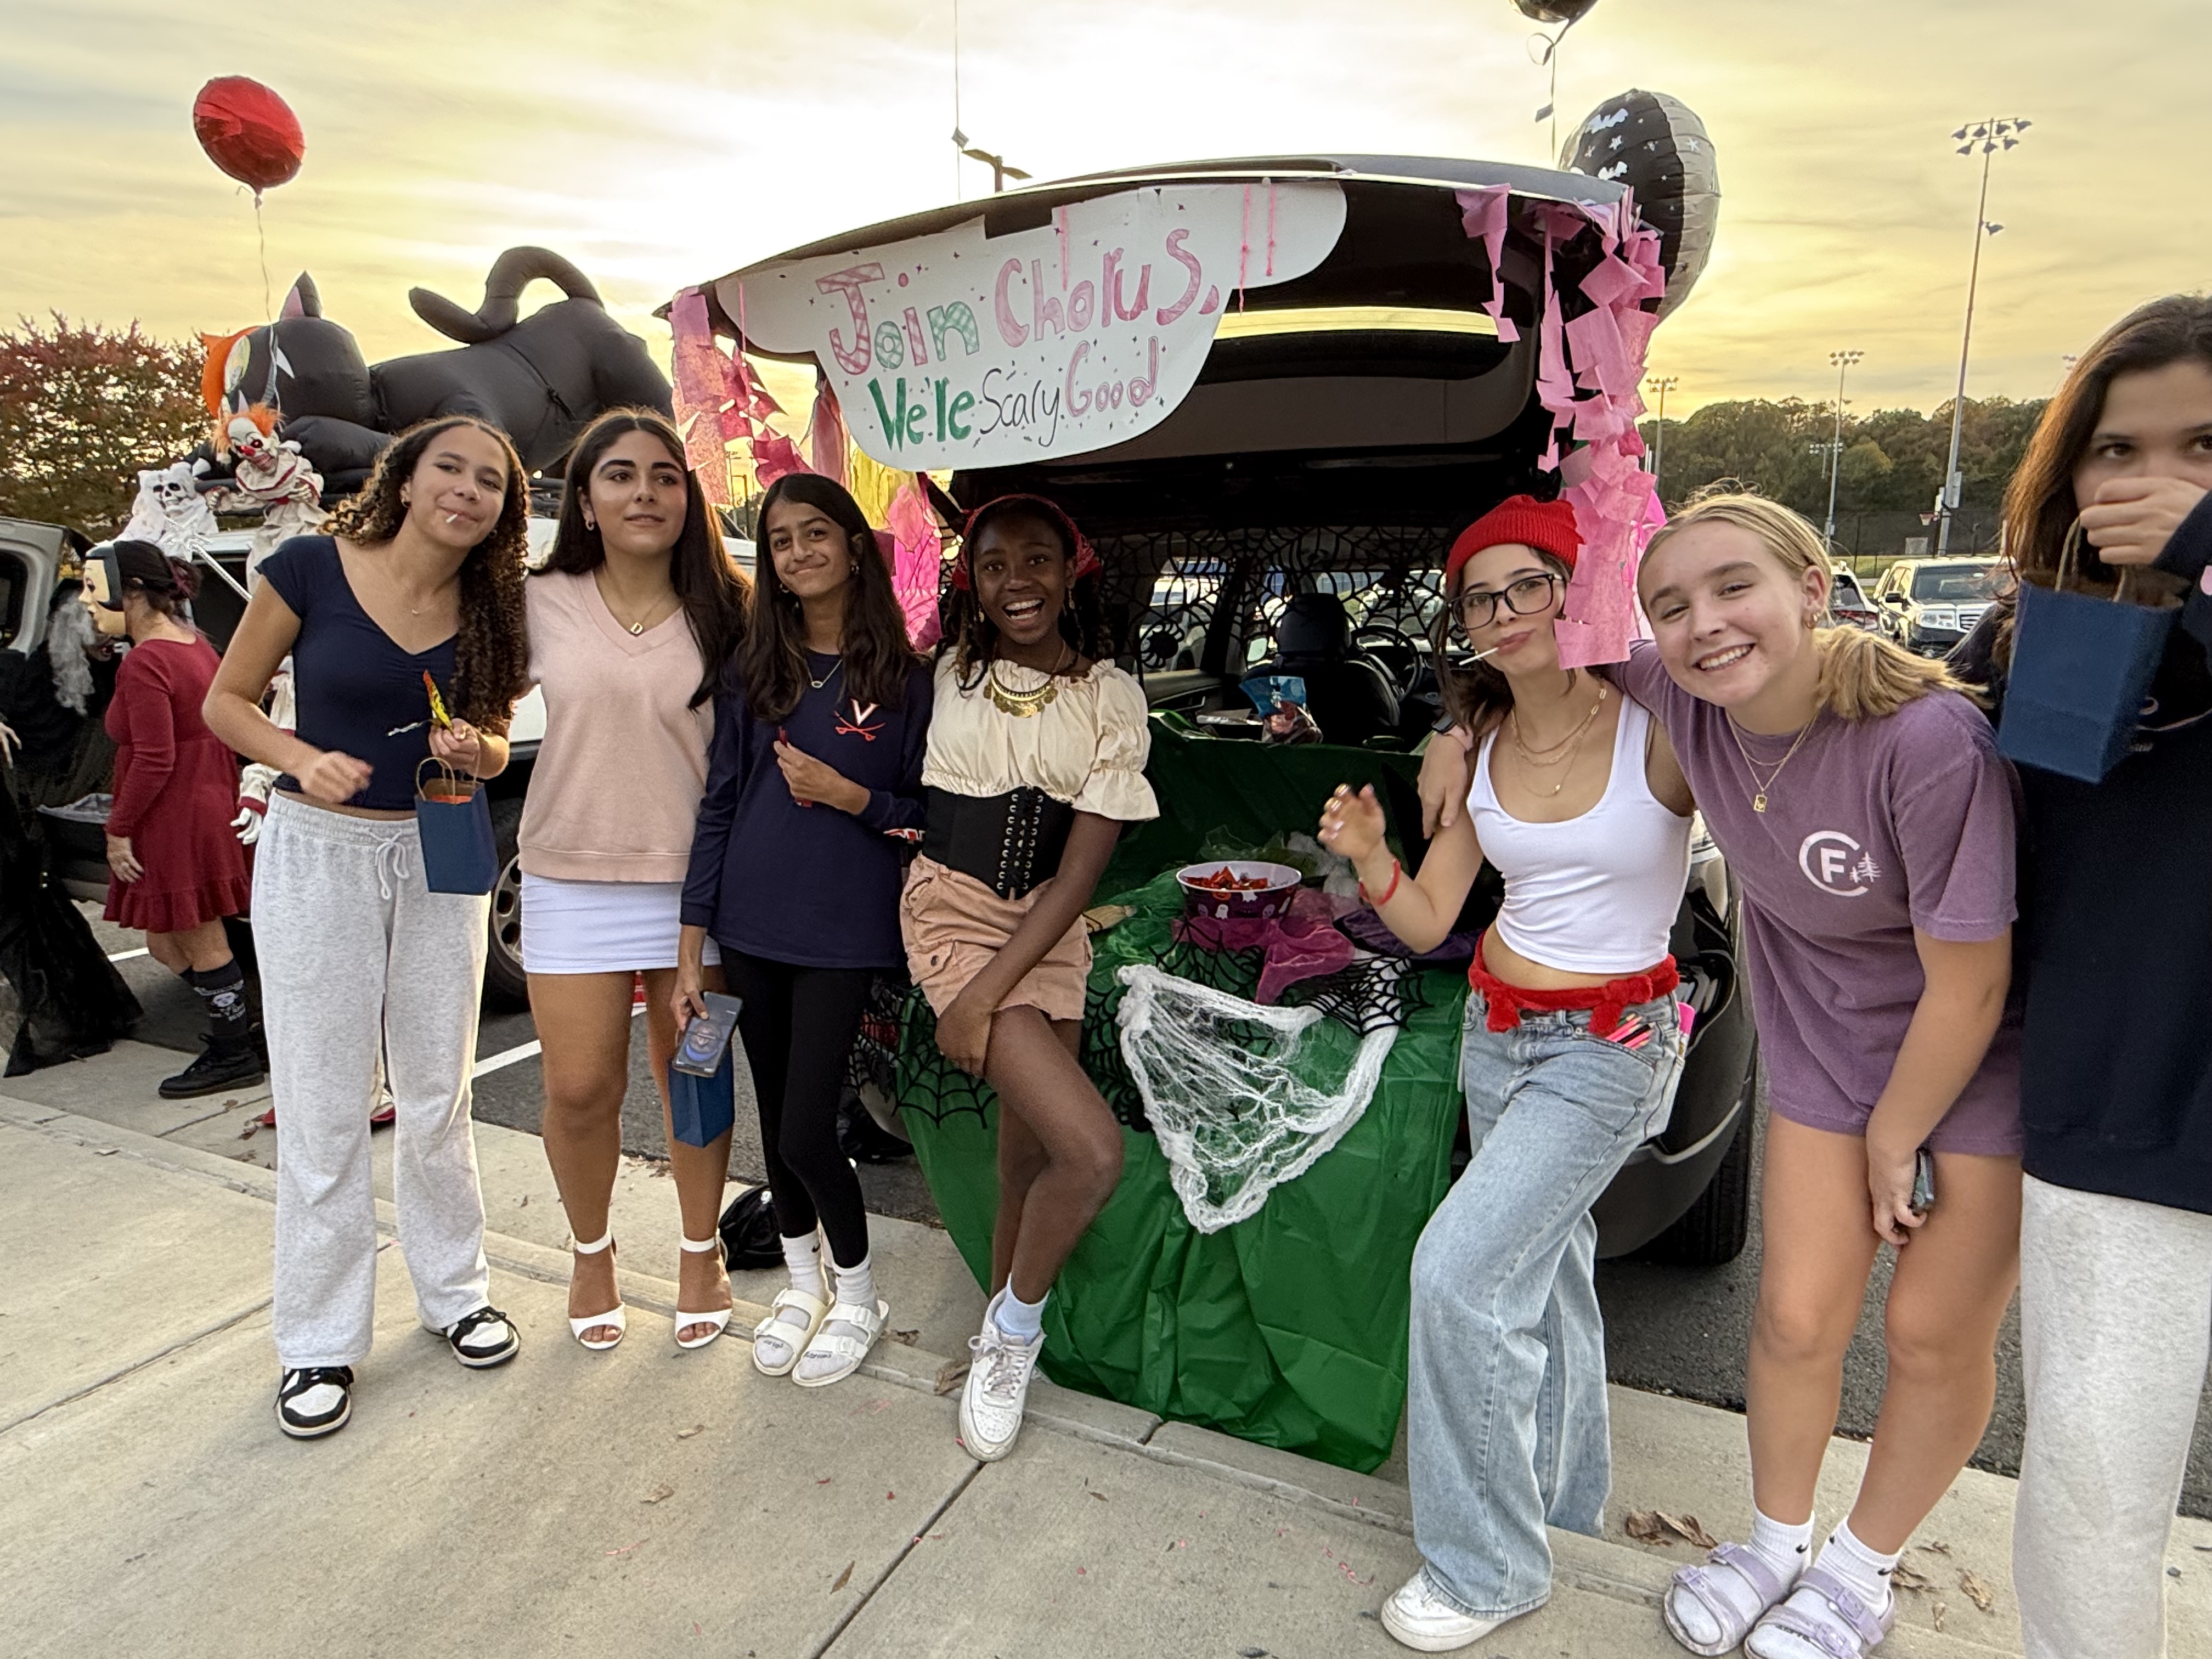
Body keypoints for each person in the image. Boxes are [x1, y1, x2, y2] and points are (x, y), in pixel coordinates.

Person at [1419, 492, 2021, 1659]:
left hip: (1966, 1062)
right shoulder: (1681, 705)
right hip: (1815, 1053)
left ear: (1811, 585)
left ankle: (1861, 1567)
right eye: (1670, 607)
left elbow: (1975, 985)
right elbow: (1531, 671)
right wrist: (1453, 735)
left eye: (1734, 587)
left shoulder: (1924, 740)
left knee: (1933, 1337)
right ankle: (1776, 1544)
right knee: (1795, 1324)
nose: (1704, 626)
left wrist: (1901, 1129)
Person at [1319, 495, 1696, 1653]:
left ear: (1576, 589)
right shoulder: (1475, 745)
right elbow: (1433, 910)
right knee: (1552, 1267)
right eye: (1479, 597)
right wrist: (1375, 859)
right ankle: (1568, 1506)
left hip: (1613, 1047)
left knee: (1460, 1273)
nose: (1503, 611)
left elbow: (1759, 710)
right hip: (1499, 1028)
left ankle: (1488, 1570)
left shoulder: (1659, 729)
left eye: (1529, 584)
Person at [1949, 295, 2212, 1659]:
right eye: (2117, 448)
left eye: (2206, 446)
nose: (2151, 480)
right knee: (2096, 1485)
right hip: (2122, 1107)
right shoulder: (2028, 640)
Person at [204, 415, 533, 1440]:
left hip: (439, 851)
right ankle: (317, 1336)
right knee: (324, 1097)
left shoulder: (492, 606)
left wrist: (472, 744)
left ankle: (456, 1289)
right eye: (452, 467)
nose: (468, 490)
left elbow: (496, 746)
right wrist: (300, 758)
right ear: (406, 473)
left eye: (490, 481)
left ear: (500, 513)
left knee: (438, 1086)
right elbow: (226, 702)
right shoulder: (309, 566)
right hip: (319, 853)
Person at [898, 493, 1156, 1460]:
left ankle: (991, 1330)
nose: (1017, 581)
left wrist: (984, 997)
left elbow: (1083, 871)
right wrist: (966, 986)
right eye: (995, 562)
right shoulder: (946, 676)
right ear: (970, 578)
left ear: (1069, 569)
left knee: (1030, 1157)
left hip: (1048, 924)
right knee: (1093, 1151)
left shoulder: (1109, 698)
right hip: (952, 912)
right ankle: (1014, 1336)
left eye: (1036, 560)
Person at [676, 472, 929, 1384]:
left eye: (815, 533)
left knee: (806, 1128)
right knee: (773, 1116)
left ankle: (858, 1293)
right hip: (748, 926)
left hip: (842, 931)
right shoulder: (757, 671)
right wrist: (689, 948)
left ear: (852, 545)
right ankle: (796, 1282)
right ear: (771, 564)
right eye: (781, 541)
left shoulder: (907, 681)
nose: (798, 553)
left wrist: (851, 794)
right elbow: (716, 807)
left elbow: (925, 814)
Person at [521, 410, 750, 1353]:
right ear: (585, 498)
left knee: (691, 1080)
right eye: (619, 475)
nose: (644, 492)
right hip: (569, 874)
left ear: (686, 496)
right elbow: (469, 701)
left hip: (697, 888)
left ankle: (703, 1251)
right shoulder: (535, 599)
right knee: (579, 1087)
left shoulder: (730, 606)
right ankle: (592, 1251)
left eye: (664, 475)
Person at [82, 541, 259, 1098]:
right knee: (165, 944)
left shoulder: (148, 660)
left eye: (92, 587)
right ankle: (244, 1029)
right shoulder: (194, 643)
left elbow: (156, 756)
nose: (86, 602)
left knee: (202, 941)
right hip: (207, 802)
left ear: (130, 591)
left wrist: (118, 828)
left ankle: (235, 1051)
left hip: (175, 815)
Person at [0, 578, 140, 1074]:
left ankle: (73, 1019)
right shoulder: (20, 671)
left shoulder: (115, 669)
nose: (105, 638)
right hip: (34, 796)